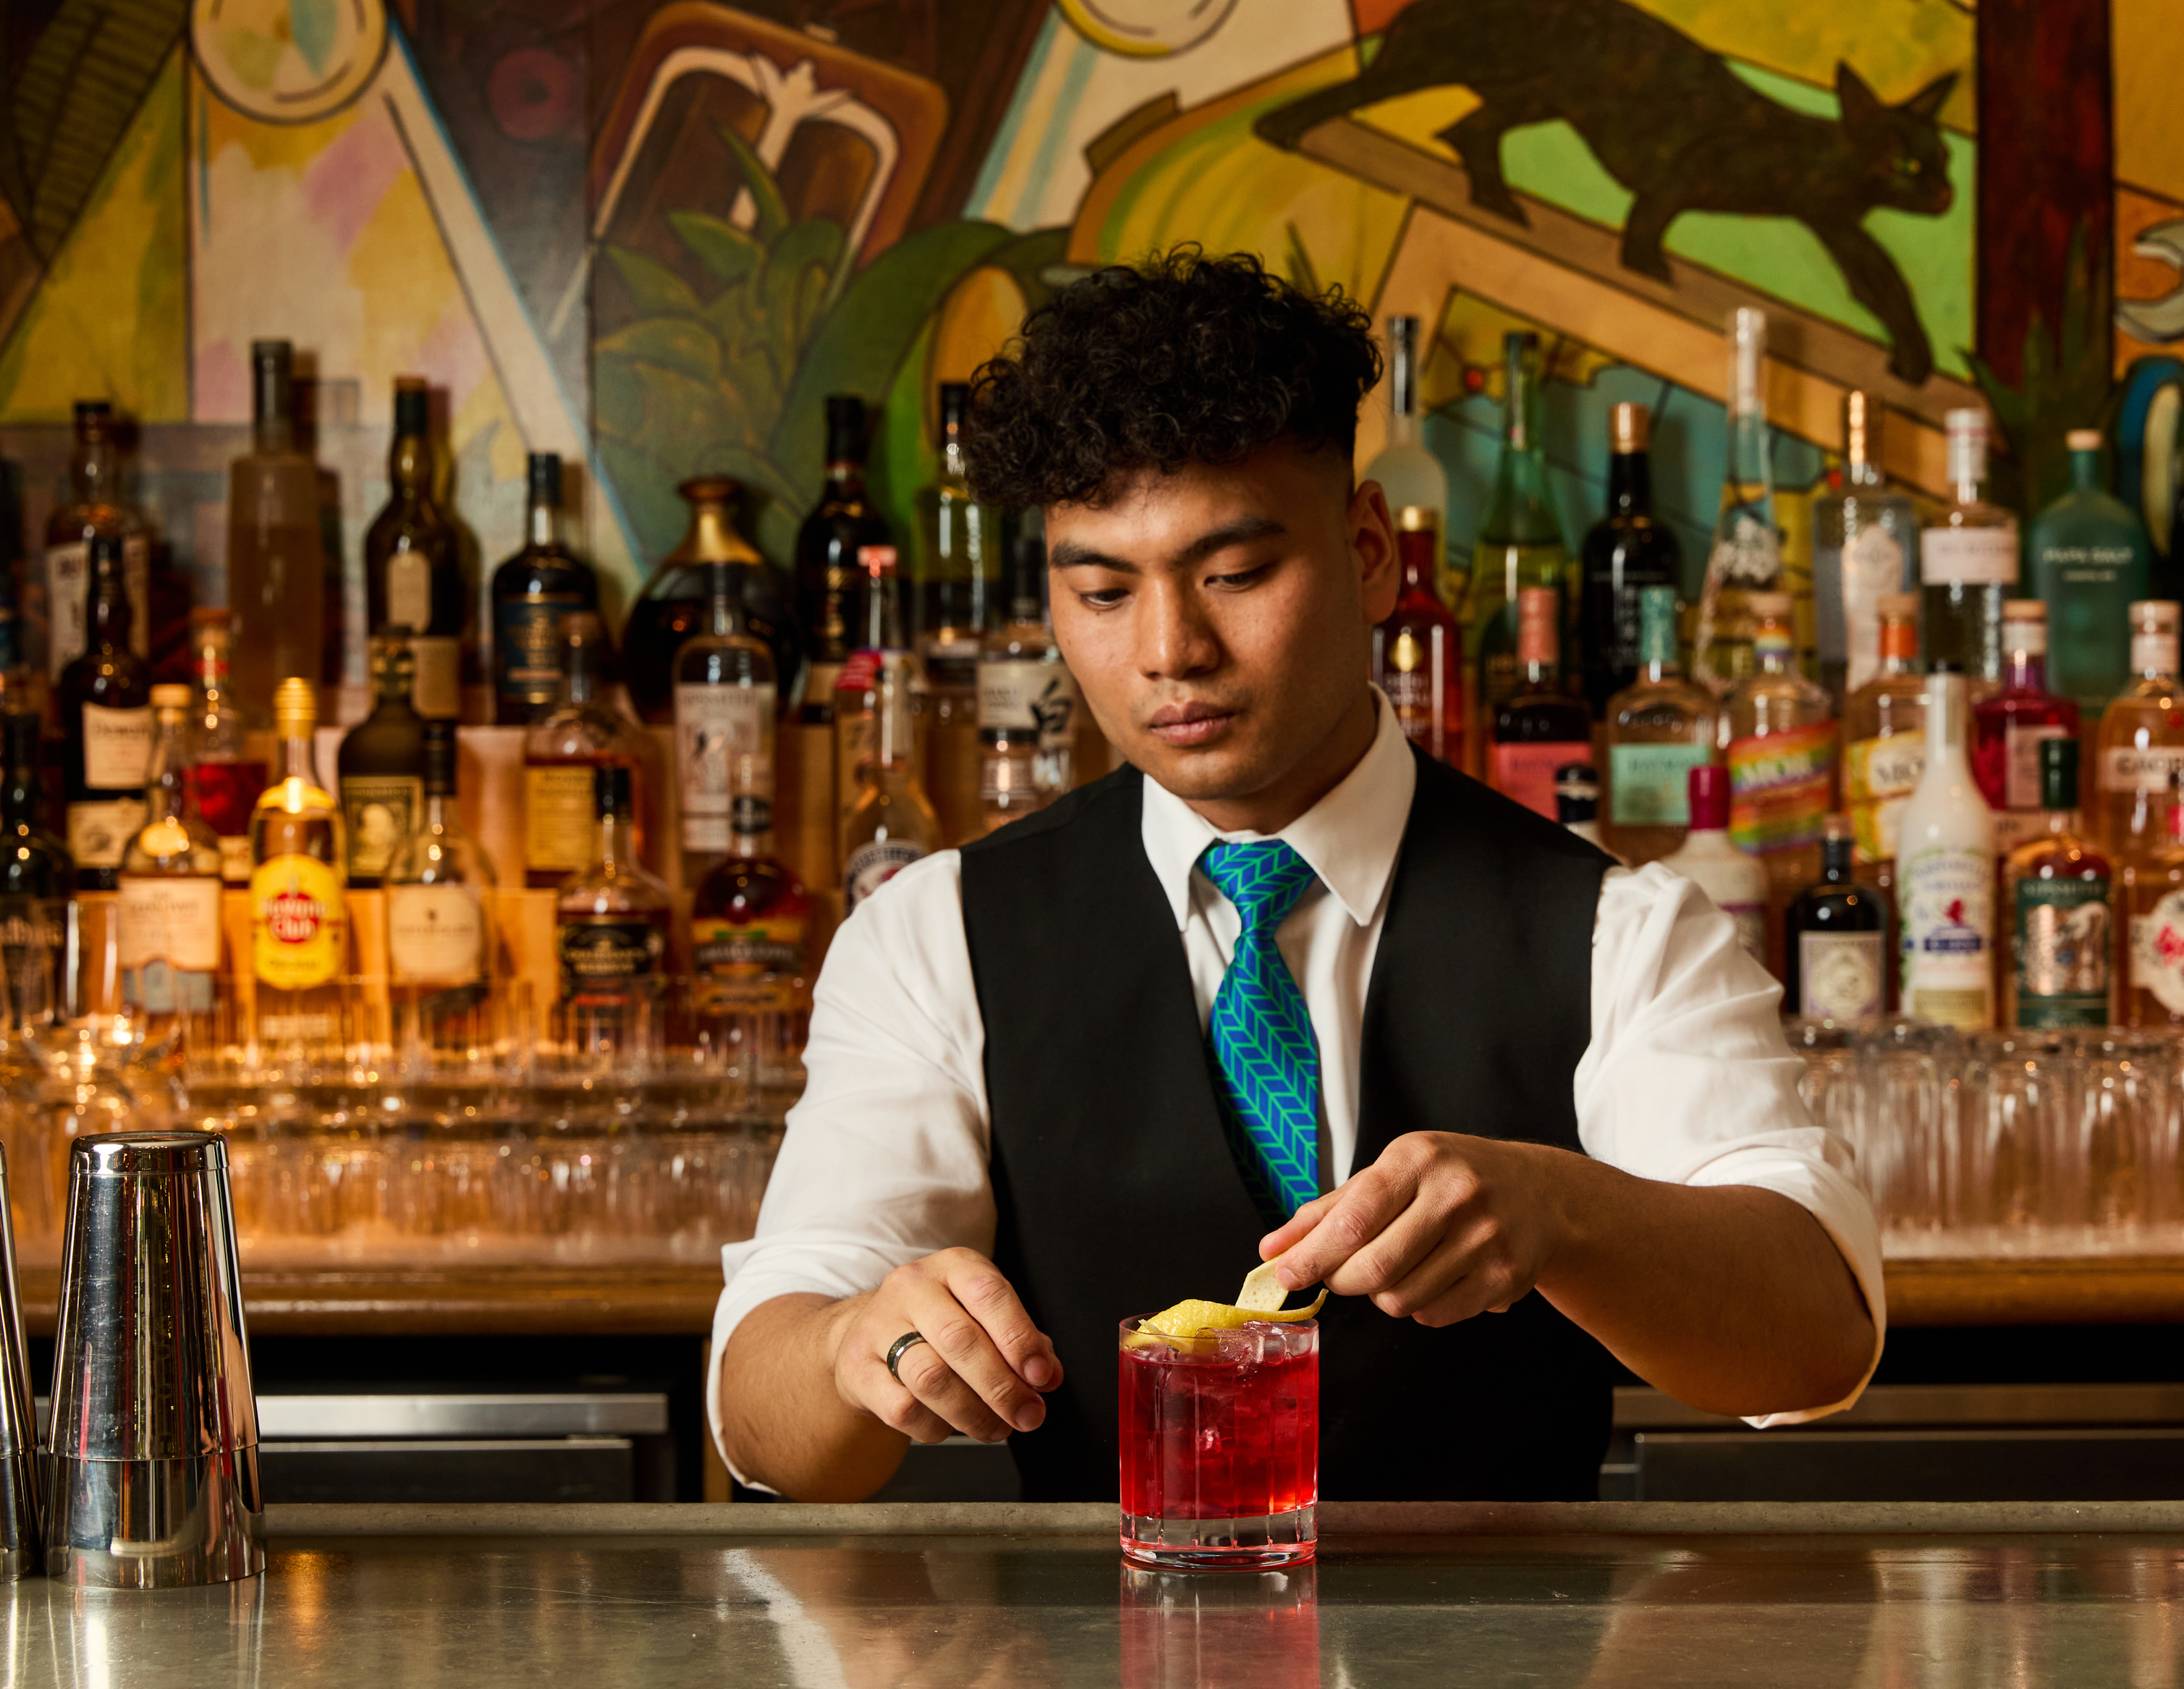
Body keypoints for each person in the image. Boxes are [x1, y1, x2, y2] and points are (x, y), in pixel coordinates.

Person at [713, 249, 1882, 1502]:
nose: (1171, 650)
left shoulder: (1612, 926)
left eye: (1235, 575)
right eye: (1103, 589)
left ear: (1371, 551)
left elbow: (1817, 1336)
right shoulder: (935, 935)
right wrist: (851, 1346)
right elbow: (763, 1410)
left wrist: (1563, 1211)